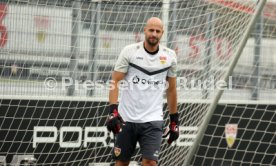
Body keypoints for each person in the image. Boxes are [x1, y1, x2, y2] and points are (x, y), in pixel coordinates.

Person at [107, 17, 179, 166]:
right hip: (126, 118)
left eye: (157, 31)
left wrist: (174, 122)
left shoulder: (170, 56)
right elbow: (115, 81)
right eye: (151, 30)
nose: (154, 34)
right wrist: (113, 111)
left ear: (162, 33)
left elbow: (171, 90)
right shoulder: (129, 51)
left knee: (150, 162)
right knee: (121, 163)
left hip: (153, 119)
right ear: (145, 30)